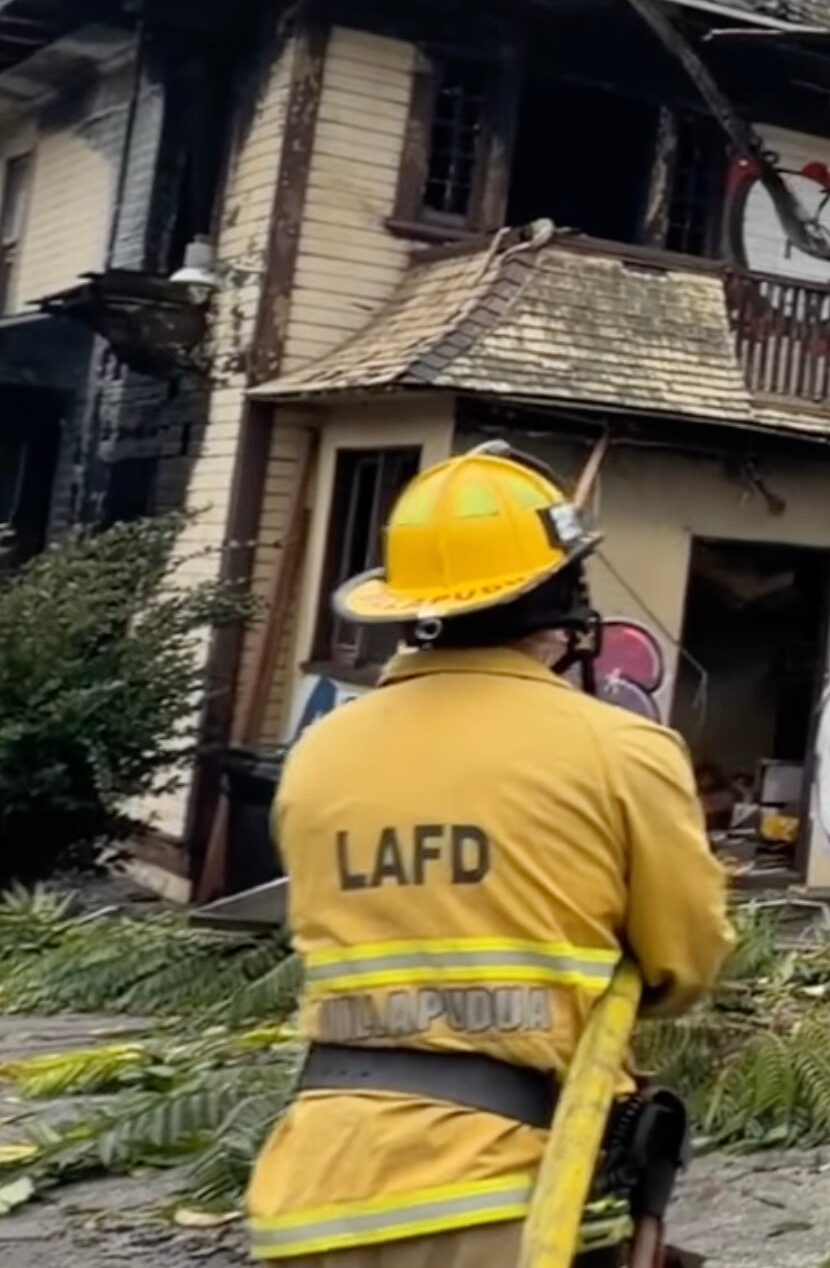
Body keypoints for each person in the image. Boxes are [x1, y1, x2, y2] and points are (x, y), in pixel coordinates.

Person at [246, 442, 734, 1268]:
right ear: (563, 608)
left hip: (312, 1193)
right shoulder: (619, 748)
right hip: (510, 1196)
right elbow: (683, 963)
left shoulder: (318, 754)